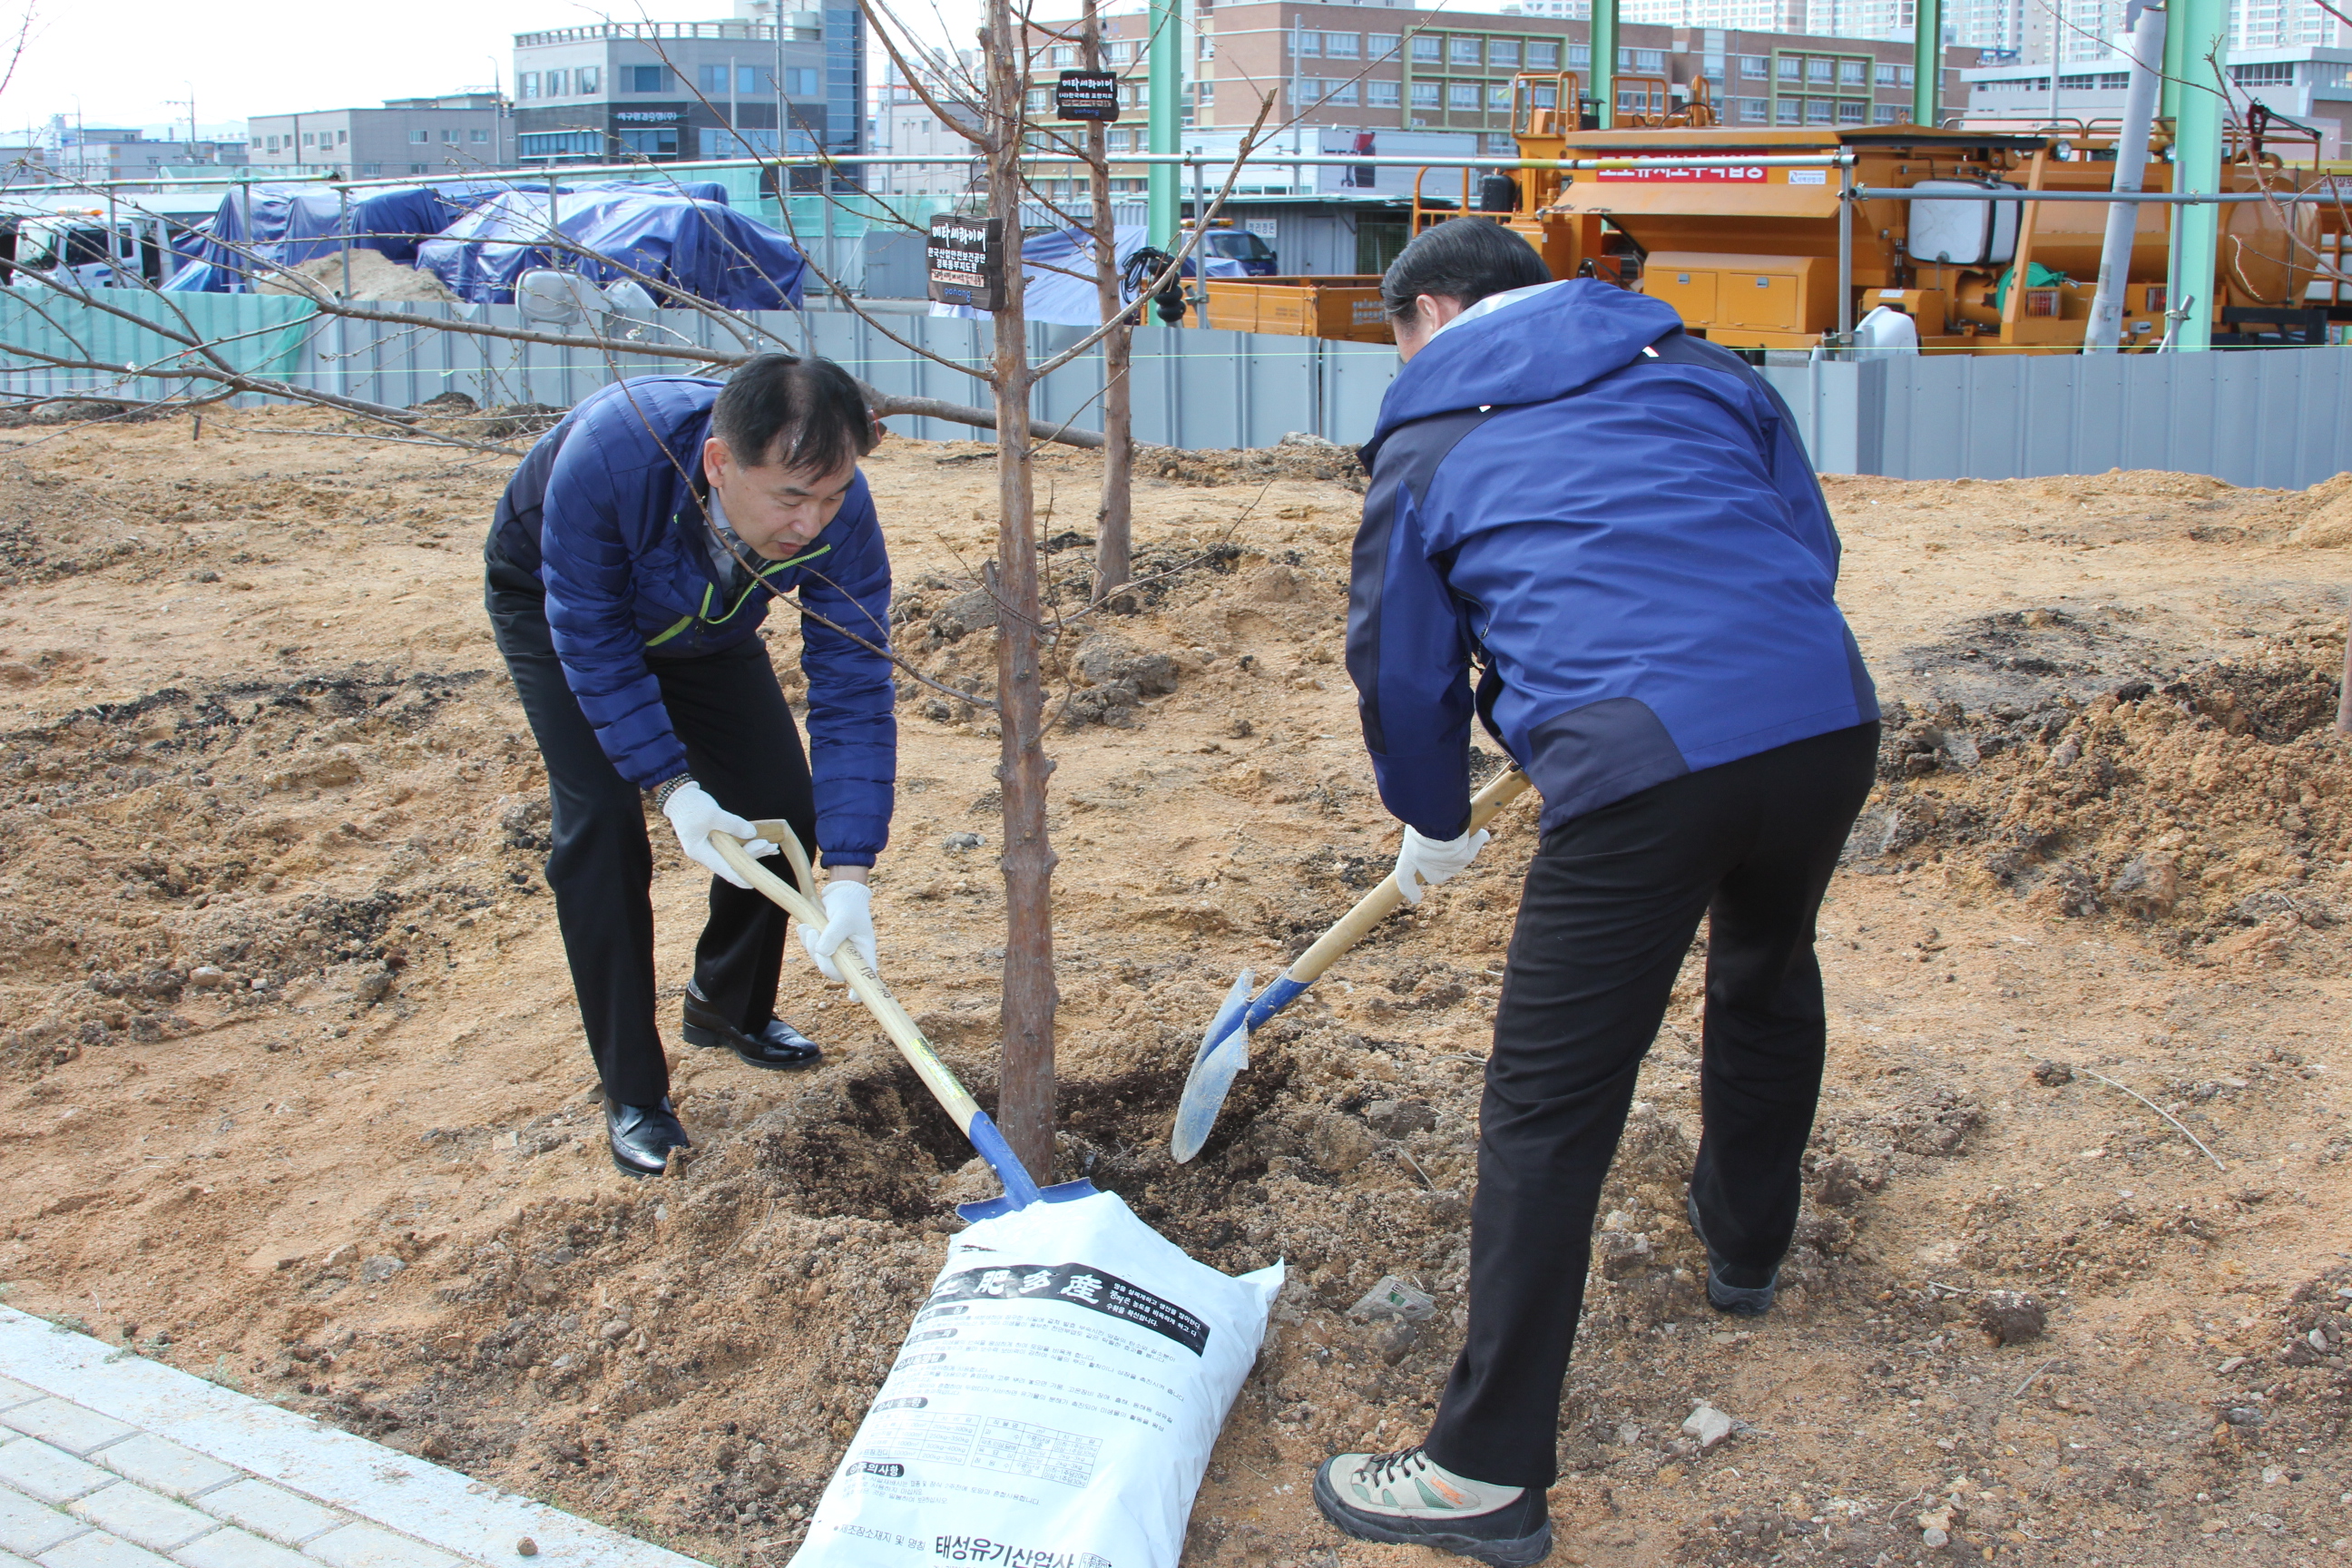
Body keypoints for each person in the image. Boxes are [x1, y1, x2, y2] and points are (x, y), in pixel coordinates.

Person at [1313, 219, 1881, 1567]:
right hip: (1822, 718)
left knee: (1546, 1106)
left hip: (1642, 770)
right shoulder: (1705, 369)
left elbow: (1400, 668)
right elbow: (1804, 545)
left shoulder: (1432, 432)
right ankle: (1746, 1246)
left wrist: (1430, 816)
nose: (1400, 363)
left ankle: (1481, 1477)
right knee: (1763, 963)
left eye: (1399, 337)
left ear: (1434, 313)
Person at [484, 354, 896, 1179]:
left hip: (706, 621)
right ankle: (633, 1089)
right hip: (565, 606)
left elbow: (853, 683)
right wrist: (673, 788)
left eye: (830, 496)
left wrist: (849, 872)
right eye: (790, 499)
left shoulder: (836, 510)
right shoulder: (613, 458)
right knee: (601, 827)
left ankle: (726, 1005)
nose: (812, 522)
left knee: (782, 803)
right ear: (719, 463)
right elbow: (595, 644)